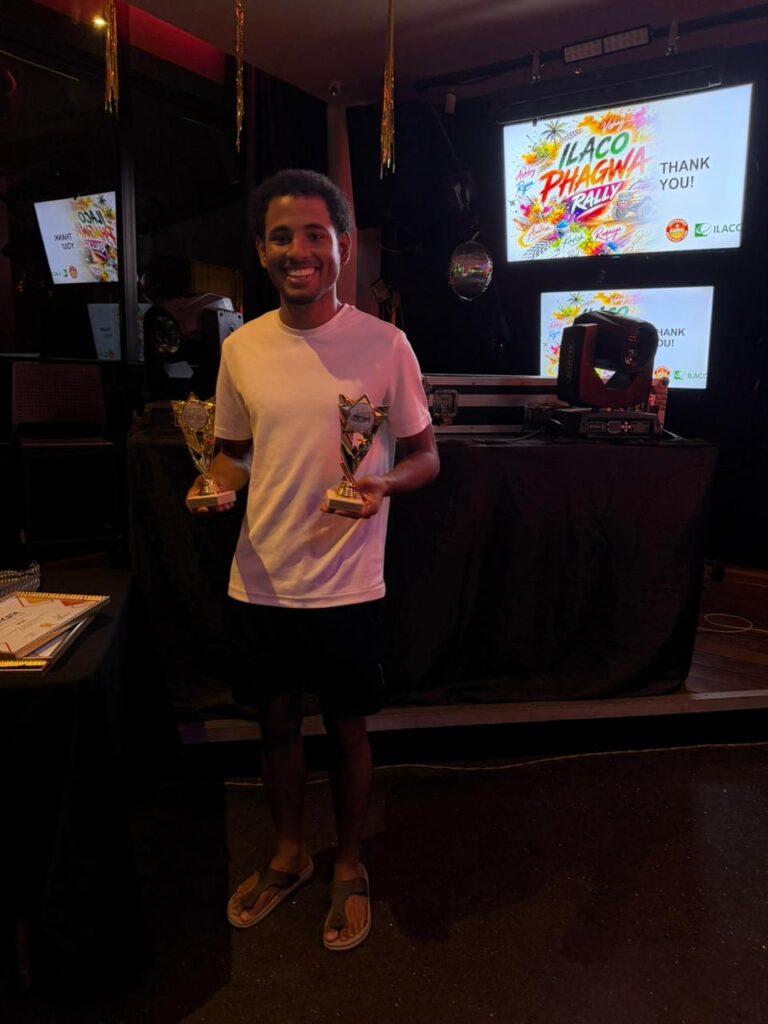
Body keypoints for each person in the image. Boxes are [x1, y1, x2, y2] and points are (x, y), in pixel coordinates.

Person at [186, 168, 439, 951]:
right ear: (261, 250)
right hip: (261, 581)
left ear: (343, 246)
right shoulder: (242, 348)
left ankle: (350, 862)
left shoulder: (385, 345)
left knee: (348, 727)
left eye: (314, 235)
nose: (298, 251)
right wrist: (213, 485)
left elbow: (426, 456)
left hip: (349, 582)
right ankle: (291, 854)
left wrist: (384, 482)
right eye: (280, 237)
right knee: (274, 724)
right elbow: (232, 455)